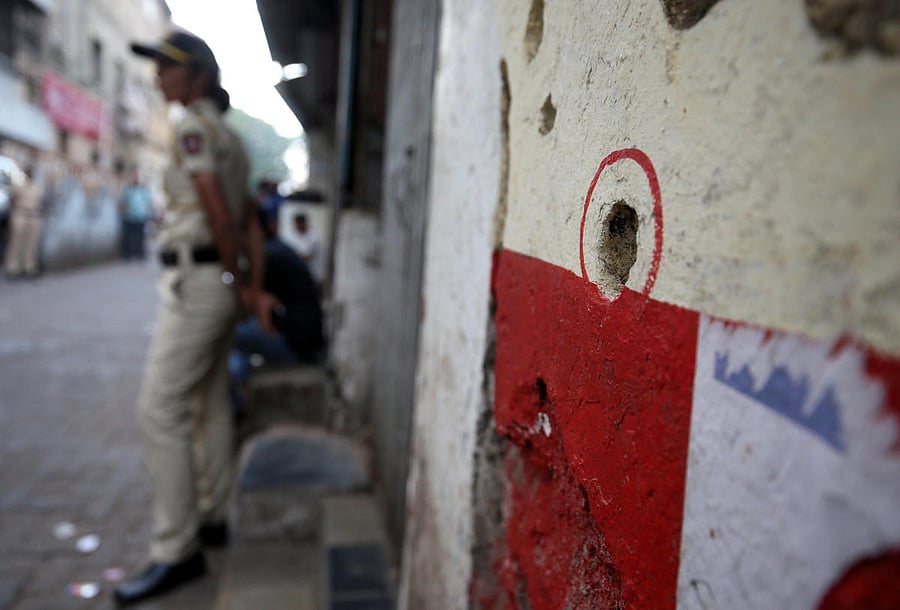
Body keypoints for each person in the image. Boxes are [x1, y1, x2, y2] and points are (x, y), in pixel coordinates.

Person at [115, 31, 277, 605]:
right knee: (207, 401)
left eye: (168, 67)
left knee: (159, 407)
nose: (159, 76)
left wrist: (236, 280)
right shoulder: (230, 137)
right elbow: (253, 221)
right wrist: (249, 287)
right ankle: (211, 518)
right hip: (222, 282)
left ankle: (176, 548)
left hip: (201, 278)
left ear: (198, 76)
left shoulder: (190, 127)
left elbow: (215, 206)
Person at [229, 209, 325, 413]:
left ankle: (233, 400)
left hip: (298, 349)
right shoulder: (278, 250)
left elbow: (259, 312)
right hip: (305, 344)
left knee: (229, 334)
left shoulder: (269, 258)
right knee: (239, 339)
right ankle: (236, 390)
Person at [4, 165, 43, 278]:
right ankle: (13, 268)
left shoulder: (37, 187)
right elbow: (11, 199)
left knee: (31, 243)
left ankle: (29, 267)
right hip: (20, 213)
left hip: (33, 215)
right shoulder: (19, 186)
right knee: (16, 241)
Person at [120, 172, 153, 260]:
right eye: (135, 178)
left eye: (138, 178)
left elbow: (148, 203)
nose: (136, 180)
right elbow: (124, 202)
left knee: (140, 237)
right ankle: (129, 255)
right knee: (129, 237)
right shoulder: (128, 190)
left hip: (141, 217)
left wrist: (149, 214)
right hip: (130, 217)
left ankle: (140, 254)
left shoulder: (144, 191)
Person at [292, 212, 323, 284]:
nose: (295, 227)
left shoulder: (314, 238)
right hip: (303, 276)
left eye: (296, 224)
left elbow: (307, 257)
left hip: (314, 277)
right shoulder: (298, 237)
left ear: (302, 223)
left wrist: (290, 257)